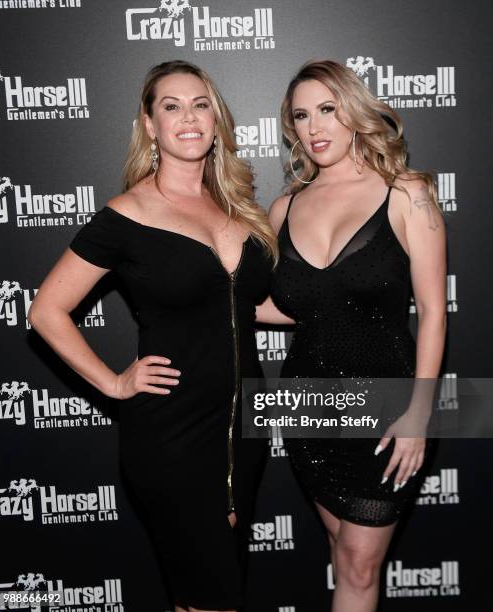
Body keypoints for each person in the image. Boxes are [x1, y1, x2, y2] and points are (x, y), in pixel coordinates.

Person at [28, 60, 277, 612]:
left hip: (243, 432)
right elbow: (46, 310)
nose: (188, 117)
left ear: (216, 119)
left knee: (201, 595)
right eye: (172, 107)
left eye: (200, 104)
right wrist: (113, 383)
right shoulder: (127, 215)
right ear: (150, 125)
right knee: (214, 599)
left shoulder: (237, 206)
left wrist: (343, 299)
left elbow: (245, 304)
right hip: (173, 435)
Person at [256, 59, 447, 612]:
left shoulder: (406, 193)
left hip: (388, 406)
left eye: (327, 110)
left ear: (354, 112)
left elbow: (434, 312)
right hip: (308, 406)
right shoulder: (284, 207)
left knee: (360, 564)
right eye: (301, 116)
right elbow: (289, 305)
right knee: (343, 552)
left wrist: (419, 413)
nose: (314, 127)